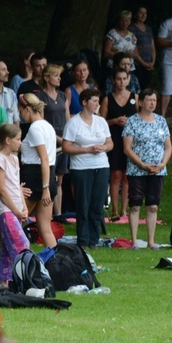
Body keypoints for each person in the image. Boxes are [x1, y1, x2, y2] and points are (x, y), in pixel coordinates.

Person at [62, 88, 113, 249]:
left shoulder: (101, 121)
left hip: (102, 166)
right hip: (81, 168)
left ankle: (94, 239)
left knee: (97, 204)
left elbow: (110, 143)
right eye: (94, 101)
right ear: (84, 102)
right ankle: (83, 240)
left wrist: (103, 148)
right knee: (83, 205)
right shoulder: (73, 123)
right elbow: (66, 147)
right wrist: (87, 150)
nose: (97, 104)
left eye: (98, 101)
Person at [123, 89, 172, 249]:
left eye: (155, 100)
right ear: (141, 102)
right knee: (136, 205)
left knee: (153, 206)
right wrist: (142, 165)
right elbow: (127, 148)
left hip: (158, 170)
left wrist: (163, 163)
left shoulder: (161, 121)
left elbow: (168, 147)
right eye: (149, 100)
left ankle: (151, 241)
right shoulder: (132, 121)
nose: (152, 103)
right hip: (137, 170)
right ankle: (135, 241)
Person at [0, 123, 29, 286]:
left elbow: (17, 186)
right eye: (18, 139)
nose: (20, 142)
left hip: (16, 209)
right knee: (22, 245)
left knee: (6, 250)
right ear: (7, 140)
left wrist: (24, 207)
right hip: (6, 210)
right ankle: (26, 280)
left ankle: (3, 283)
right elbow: (2, 190)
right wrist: (16, 211)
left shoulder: (14, 158)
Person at [19, 93, 57, 250]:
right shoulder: (47, 125)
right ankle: (56, 259)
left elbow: (44, 159)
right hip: (48, 176)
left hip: (35, 177)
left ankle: (14, 257)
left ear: (27, 108)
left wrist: (45, 188)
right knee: (44, 226)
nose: (20, 115)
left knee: (16, 219)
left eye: (20, 111)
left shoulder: (35, 128)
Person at [100, 68, 138, 220]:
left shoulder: (135, 97)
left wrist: (130, 123)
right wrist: (115, 121)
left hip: (130, 140)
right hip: (114, 138)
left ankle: (125, 211)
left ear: (129, 80)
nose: (122, 82)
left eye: (124, 78)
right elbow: (101, 123)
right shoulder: (107, 99)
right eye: (118, 79)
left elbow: (139, 119)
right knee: (115, 175)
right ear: (113, 81)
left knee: (127, 176)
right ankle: (115, 210)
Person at [38, 64, 70, 214]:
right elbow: (41, 121)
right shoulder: (40, 96)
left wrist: (69, 138)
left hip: (64, 140)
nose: (59, 78)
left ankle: (58, 213)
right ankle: (47, 213)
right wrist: (58, 139)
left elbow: (68, 119)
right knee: (49, 177)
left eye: (59, 75)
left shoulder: (63, 95)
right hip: (50, 140)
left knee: (60, 179)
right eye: (56, 75)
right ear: (46, 78)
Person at [130, 6, 156, 90]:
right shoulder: (132, 28)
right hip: (137, 63)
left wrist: (152, 62)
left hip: (148, 64)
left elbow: (152, 47)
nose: (143, 15)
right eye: (141, 13)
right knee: (137, 87)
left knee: (146, 87)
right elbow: (133, 47)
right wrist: (143, 63)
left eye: (145, 13)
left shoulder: (149, 28)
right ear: (135, 14)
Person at [0, 60, 19, 126]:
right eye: (3, 70)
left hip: (10, 133)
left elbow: (16, 118)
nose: (8, 72)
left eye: (7, 69)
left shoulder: (11, 93)